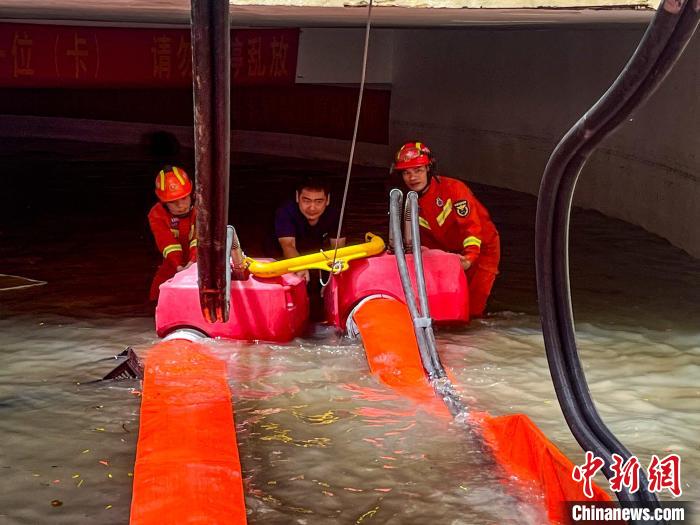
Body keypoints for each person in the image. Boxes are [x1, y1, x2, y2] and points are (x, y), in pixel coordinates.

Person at [392, 141, 500, 318]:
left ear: (429, 169)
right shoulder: (409, 202)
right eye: (406, 172)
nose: (412, 178)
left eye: (418, 170)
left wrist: (469, 258)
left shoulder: (454, 190)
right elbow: (420, 239)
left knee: (472, 309)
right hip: (448, 252)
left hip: (482, 249)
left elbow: (471, 229)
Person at [269, 176, 346, 319]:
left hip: (319, 255)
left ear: (327, 200)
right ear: (297, 197)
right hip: (285, 256)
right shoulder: (286, 211)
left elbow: (338, 250)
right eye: (306, 200)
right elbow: (288, 245)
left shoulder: (335, 213)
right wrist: (300, 266)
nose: (312, 208)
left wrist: (332, 279)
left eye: (319, 201)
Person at [147, 166, 197, 301]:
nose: (181, 206)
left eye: (184, 198)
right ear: (163, 202)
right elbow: (166, 242)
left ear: (192, 194)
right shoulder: (156, 214)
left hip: (200, 260)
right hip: (173, 263)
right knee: (157, 295)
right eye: (173, 202)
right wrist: (179, 267)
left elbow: (200, 238)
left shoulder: (202, 207)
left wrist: (193, 262)